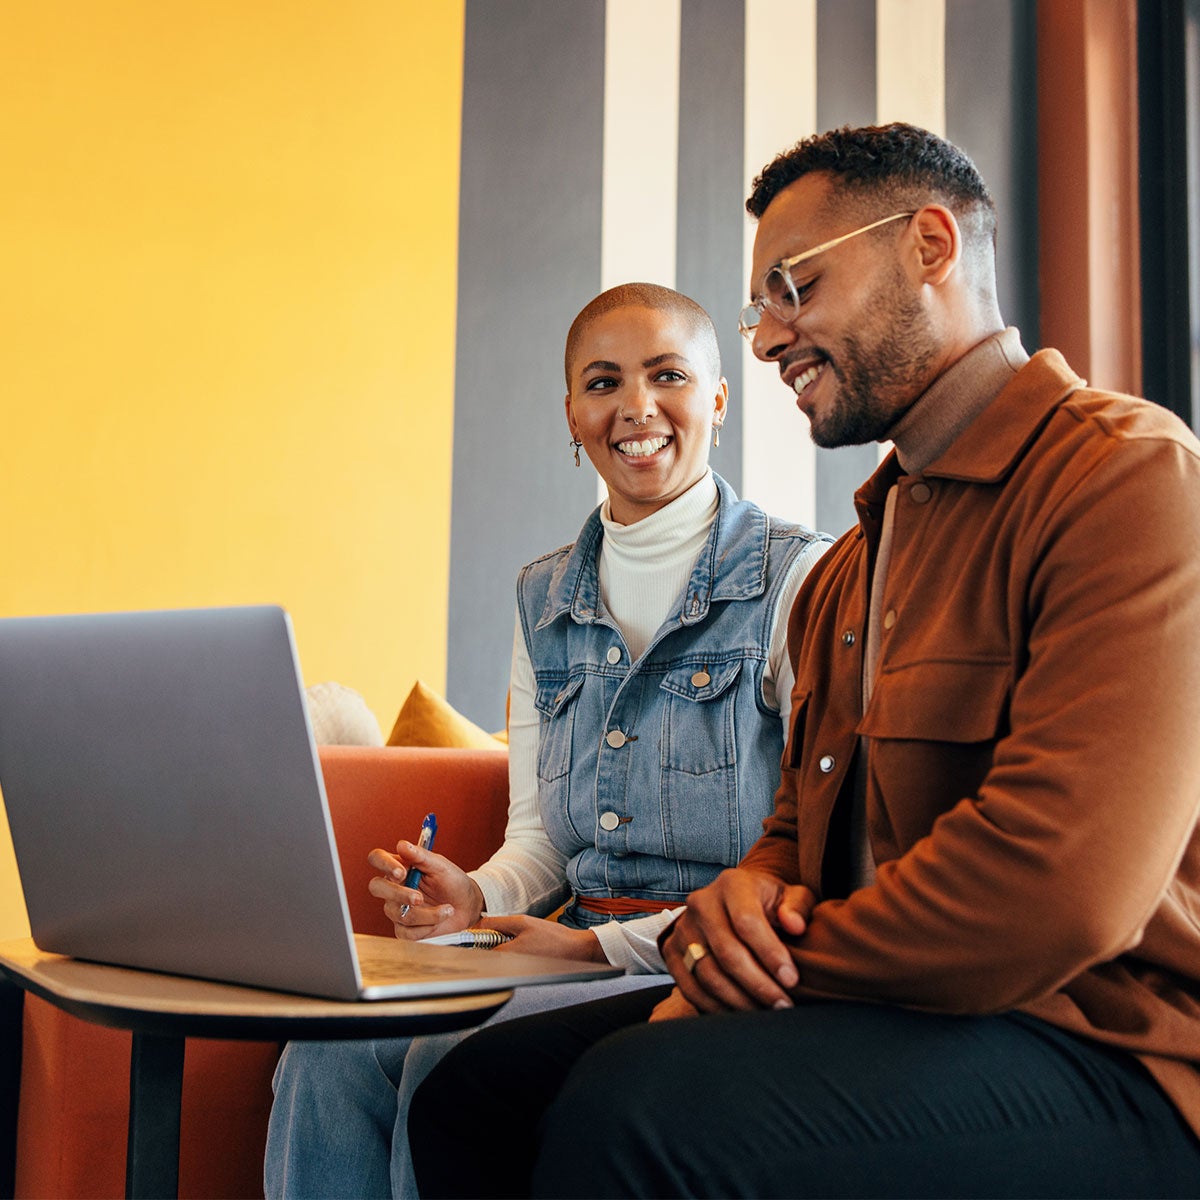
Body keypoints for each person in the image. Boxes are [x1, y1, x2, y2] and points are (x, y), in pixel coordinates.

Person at [408, 124, 1200, 1199]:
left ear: (929, 245)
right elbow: (798, 827)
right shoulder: (854, 565)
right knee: (477, 1090)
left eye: (793, 287)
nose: (770, 335)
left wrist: (746, 962)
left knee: (640, 1111)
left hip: (1107, 1046)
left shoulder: (1126, 478)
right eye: (761, 306)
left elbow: (1064, 890)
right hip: (890, 1009)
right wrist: (742, 900)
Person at [264, 282, 831, 1198]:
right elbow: (539, 839)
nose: (636, 408)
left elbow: (810, 851)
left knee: (445, 1061)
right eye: (603, 383)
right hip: (552, 943)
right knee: (326, 1053)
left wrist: (588, 951)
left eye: (669, 376)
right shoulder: (542, 596)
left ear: (718, 400)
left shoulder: (800, 578)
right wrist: (470, 896)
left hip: (703, 952)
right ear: (572, 413)